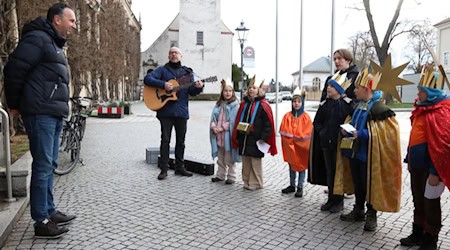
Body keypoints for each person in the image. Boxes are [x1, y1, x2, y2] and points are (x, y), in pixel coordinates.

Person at [3, 3, 77, 238]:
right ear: (57, 20)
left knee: (50, 164)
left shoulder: (53, 43)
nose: (74, 25)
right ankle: (41, 221)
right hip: (40, 113)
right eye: (72, 20)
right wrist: (14, 105)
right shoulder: (38, 39)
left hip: (52, 113)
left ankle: (50, 211)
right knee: (43, 165)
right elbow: (14, 68)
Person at [334, 68, 402, 232]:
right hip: (354, 153)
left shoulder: (379, 109)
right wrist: (347, 130)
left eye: (357, 88)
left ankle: (371, 215)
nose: (355, 90)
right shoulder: (359, 105)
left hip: (369, 156)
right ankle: (358, 210)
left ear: (366, 89)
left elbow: (385, 133)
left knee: (370, 184)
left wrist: (362, 134)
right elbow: (355, 123)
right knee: (358, 184)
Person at [399, 66, 450, 250]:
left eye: (421, 91)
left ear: (430, 92)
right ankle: (418, 233)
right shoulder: (422, 109)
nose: (418, 93)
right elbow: (415, 136)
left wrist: (435, 172)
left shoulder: (441, 112)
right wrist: (409, 158)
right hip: (417, 165)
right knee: (418, 200)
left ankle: (430, 239)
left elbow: (443, 146)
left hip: (432, 170)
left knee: (430, 204)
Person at [144, 47, 204, 180]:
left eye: (176, 53)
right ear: (168, 56)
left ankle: (179, 167)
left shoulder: (187, 73)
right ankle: (164, 169)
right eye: (171, 53)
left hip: (181, 111)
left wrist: (199, 88)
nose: (173, 55)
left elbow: (192, 92)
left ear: (181, 56)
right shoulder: (162, 70)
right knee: (165, 140)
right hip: (165, 111)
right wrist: (163, 84)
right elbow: (148, 79)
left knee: (181, 141)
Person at [310, 72, 354, 212]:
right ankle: (331, 199)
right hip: (326, 144)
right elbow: (317, 122)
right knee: (330, 172)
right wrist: (322, 133)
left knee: (338, 172)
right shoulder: (324, 105)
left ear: (339, 89)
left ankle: (338, 201)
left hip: (340, 144)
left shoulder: (347, 105)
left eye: (332, 86)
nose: (328, 88)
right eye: (328, 85)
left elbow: (352, 121)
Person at [232, 76, 277, 190]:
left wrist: (263, 138)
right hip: (245, 138)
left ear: (259, 90)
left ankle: (256, 183)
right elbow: (239, 119)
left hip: (257, 139)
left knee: (255, 162)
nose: (251, 90)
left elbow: (268, 125)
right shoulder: (245, 104)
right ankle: (246, 181)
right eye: (250, 88)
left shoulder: (263, 105)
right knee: (246, 162)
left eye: (254, 88)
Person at [279, 87, 312, 198]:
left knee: (301, 167)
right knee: (291, 165)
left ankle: (300, 187)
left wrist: (297, 139)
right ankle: (292, 185)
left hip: (301, 148)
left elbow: (307, 132)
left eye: (299, 101)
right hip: (290, 147)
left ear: (302, 103)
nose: (296, 104)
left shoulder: (306, 117)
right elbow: (284, 130)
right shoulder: (287, 116)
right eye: (294, 101)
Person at [210, 79, 240, 184]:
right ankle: (220, 175)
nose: (227, 93)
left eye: (230, 91)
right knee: (220, 157)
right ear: (222, 92)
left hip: (227, 135)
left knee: (229, 158)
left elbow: (233, 120)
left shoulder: (235, 105)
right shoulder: (218, 105)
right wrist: (214, 127)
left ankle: (231, 176)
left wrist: (222, 128)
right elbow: (213, 118)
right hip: (219, 136)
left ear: (233, 92)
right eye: (225, 91)